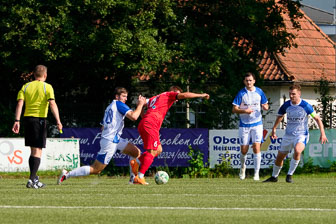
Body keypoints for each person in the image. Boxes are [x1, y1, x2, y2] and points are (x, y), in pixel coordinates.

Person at [57, 87, 146, 184]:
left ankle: (133, 179)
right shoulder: (118, 104)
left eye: (126, 96)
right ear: (117, 96)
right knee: (96, 169)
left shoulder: (109, 107)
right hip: (110, 141)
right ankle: (67, 174)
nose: (126, 99)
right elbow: (134, 116)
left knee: (135, 152)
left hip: (114, 139)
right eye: (123, 96)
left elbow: (103, 127)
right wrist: (140, 105)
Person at [130, 86, 210, 185]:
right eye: (177, 93)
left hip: (146, 123)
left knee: (158, 150)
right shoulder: (168, 94)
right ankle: (140, 177)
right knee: (153, 150)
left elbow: (141, 103)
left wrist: (143, 113)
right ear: (173, 91)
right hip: (151, 123)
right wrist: (201, 95)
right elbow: (185, 95)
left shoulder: (154, 98)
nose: (177, 98)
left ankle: (136, 162)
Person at [263, 84, 328, 183]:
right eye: (290, 94)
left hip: (301, 135)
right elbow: (280, 116)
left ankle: (289, 175)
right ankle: (274, 177)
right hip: (288, 135)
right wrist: (274, 129)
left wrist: (323, 134)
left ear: (299, 94)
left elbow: (317, 119)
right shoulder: (286, 105)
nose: (291, 96)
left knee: (297, 150)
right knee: (280, 156)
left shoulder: (305, 105)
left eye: (293, 94)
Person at [12, 65, 63, 189]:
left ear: (34, 75)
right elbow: (52, 103)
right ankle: (31, 180)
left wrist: (17, 120)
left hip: (27, 120)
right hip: (39, 120)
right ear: (45, 75)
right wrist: (58, 120)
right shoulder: (47, 87)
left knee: (33, 150)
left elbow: (20, 103)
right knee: (37, 151)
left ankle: (34, 178)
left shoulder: (26, 86)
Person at [232, 72, 269, 181]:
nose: (249, 82)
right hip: (244, 125)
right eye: (247, 80)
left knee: (257, 147)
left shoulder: (259, 92)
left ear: (254, 81)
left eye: (250, 80)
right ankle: (243, 168)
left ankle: (256, 174)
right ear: (244, 82)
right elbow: (234, 109)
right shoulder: (241, 93)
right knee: (244, 150)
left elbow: (266, 104)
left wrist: (265, 107)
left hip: (257, 124)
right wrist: (244, 111)